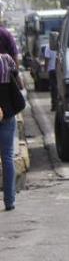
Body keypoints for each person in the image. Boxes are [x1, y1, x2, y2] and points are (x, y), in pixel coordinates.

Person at [0, 53, 19, 211]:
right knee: (7, 157)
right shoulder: (6, 60)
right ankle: (10, 201)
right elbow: (16, 74)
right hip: (7, 113)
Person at [44, 39, 58, 111]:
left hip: (52, 70)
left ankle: (54, 106)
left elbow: (46, 59)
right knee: (59, 88)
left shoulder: (48, 46)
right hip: (59, 70)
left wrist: (45, 70)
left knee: (53, 89)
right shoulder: (60, 44)